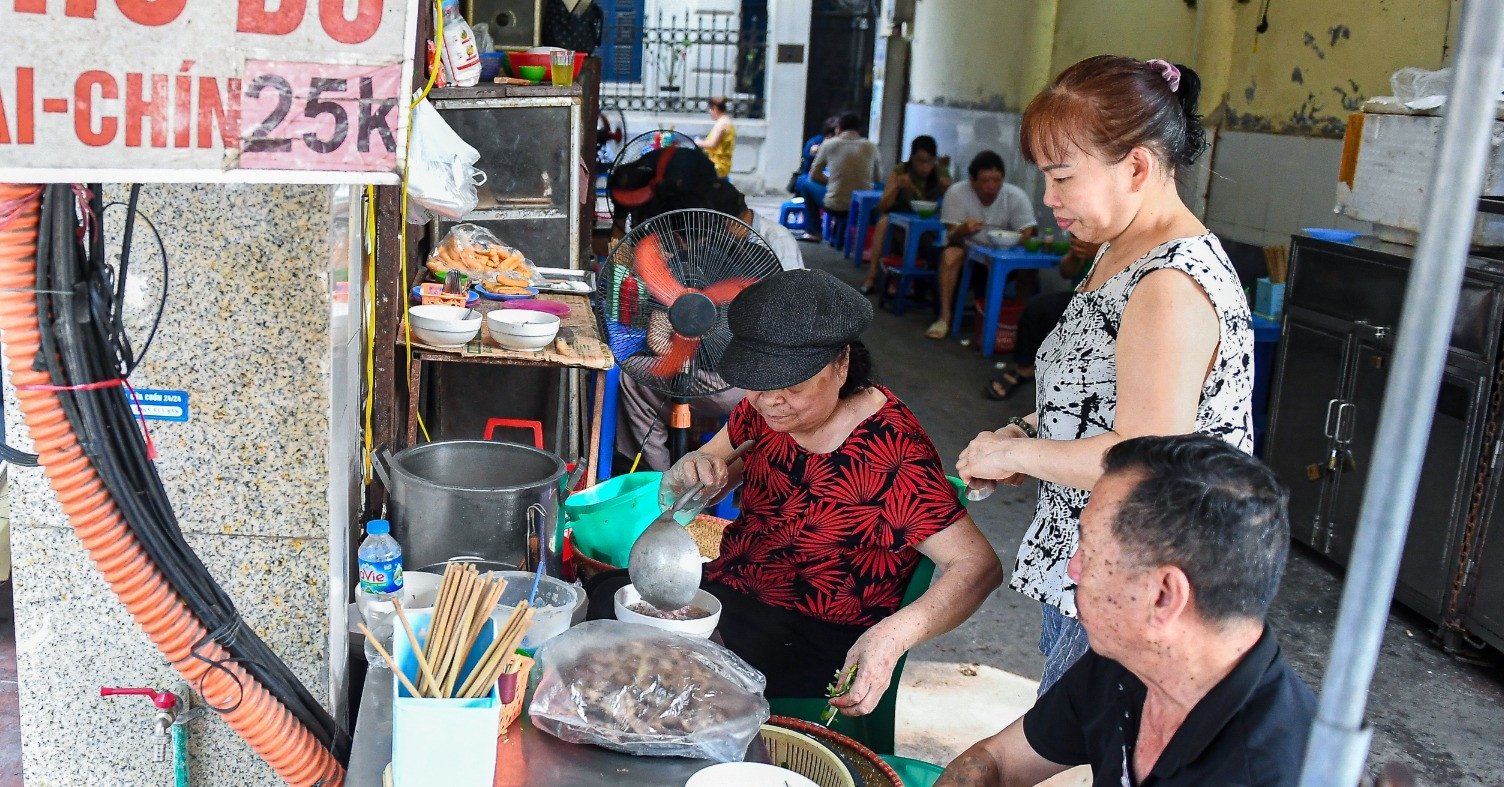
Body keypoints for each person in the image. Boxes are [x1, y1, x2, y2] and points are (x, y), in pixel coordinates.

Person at [956, 56, 1255, 694]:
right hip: (1091, 567)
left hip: (1145, 585)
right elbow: (1093, 395)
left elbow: (1143, 456)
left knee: (1096, 748)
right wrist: (1025, 436)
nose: (1049, 198)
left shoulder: (1170, 283)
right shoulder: (1120, 251)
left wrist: (1019, 450)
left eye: (1062, 176)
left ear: (1138, 166)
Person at [590, 269, 1005, 712]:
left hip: (811, 635)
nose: (770, 401)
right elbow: (710, 472)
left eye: (792, 385)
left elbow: (978, 567)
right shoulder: (767, 409)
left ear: (842, 365)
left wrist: (892, 637)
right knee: (602, 598)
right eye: (759, 383)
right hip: (737, 588)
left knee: (653, 672)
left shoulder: (892, 453)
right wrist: (693, 474)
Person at [937, 435, 1316, 786]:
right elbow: (999, 762)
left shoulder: (1267, 770)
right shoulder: (1134, 657)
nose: (1074, 567)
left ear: (1164, 596)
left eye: (1091, 551)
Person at [607, 146, 803, 471]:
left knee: (634, 381)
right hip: (715, 368)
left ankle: (657, 478)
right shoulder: (724, 246)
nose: (704, 233)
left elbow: (785, 325)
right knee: (656, 368)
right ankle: (667, 472)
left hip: (747, 380)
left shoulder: (769, 248)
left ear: (729, 221)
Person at [930, 151, 1038, 339]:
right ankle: (944, 317)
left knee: (1029, 266)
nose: (991, 187)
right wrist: (962, 230)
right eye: (985, 181)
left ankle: (1017, 324)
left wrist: (1012, 240)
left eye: (997, 181)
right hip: (967, 252)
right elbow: (952, 236)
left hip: (1004, 254)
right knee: (950, 255)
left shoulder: (1015, 196)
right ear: (972, 180)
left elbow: (1028, 231)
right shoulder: (957, 193)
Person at [982, 235, 1101, 400]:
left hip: (1117, 303)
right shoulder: (1090, 230)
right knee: (1037, 309)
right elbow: (1067, 272)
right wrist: (1076, 254)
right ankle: (1024, 367)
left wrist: (1101, 252)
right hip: (1082, 296)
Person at [861, 135, 951, 294]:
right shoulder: (901, 171)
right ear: (911, 158)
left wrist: (947, 189)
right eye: (919, 160)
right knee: (883, 222)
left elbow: (952, 207)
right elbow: (883, 206)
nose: (924, 167)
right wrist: (896, 187)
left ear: (934, 160)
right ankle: (872, 277)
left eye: (929, 161)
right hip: (900, 224)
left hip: (928, 228)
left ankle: (913, 281)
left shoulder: (941, 173)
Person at [801, 112, 881, 243]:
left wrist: (832, 181)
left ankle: (815, 231)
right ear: (859, 129)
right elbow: (877, 178)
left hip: (835, 206)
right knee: (880, 188)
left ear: (839, 128)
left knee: (805, 184)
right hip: (863, 207)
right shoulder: (871, 146)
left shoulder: (829, 144)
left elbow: (814, 175)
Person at [697, 96, 737, 179]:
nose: (710, 112)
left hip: (716, 165)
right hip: (723, 164)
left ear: (715, 108)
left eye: (710, 109)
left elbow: (712, 144)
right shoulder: (728, 121)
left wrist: (698, 142)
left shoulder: (721, 124)